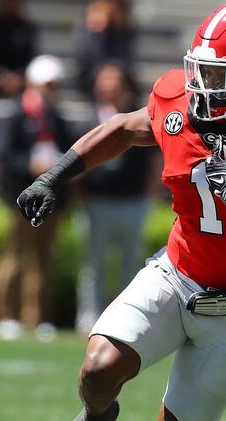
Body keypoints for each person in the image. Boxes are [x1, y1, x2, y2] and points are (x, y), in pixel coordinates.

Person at [16, 2, 226, 421]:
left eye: (223, 74)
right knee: (97, 373)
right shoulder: (178, 100)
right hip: (174, 275)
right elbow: (123, 129)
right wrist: (53, 177)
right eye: (204, 69)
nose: (206, 82)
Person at [0, 55, 73, 341]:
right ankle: (5, 315)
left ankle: (36, 317)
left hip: (49, 201)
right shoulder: (20, 115)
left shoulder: (58, 119)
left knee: (43, 259)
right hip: (23, 197)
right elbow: (6, 157)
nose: (53, 89)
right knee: (14, 256)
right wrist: (30, 164)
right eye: (48, 83)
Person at [75, 62, 156, 335]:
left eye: (115, 79)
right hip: (97, 202)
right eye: (105, 79)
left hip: (132, 201)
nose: (110, 85)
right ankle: (89, 317)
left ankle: (127, 317)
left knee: (131, 264)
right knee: (93, 263)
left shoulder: (137, 117)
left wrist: (150, 192)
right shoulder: (89, 119)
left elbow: (153, 159)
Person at [75, 0, 135, 97]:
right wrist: (97, 32)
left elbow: (124, 58)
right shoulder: (87, 31)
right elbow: (87, 58)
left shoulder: (123, 32)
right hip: (90, 77)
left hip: (117, 73)